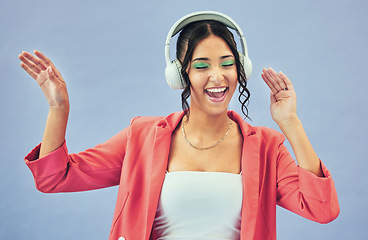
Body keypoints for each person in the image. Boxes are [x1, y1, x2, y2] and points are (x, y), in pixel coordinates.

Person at [19, 11, 339, 240]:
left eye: (227, 64)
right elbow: (55, 179)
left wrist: (291, 124)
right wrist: (58, 107)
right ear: (179, 75)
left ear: (242, 70)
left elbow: (321, 210)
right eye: (202, 66)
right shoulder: (141, 136)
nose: (217, 76)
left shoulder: (267, 146)